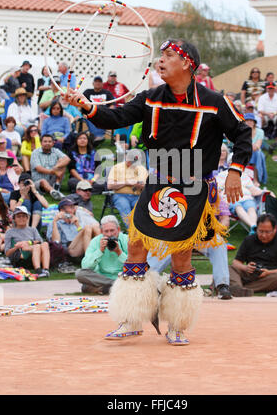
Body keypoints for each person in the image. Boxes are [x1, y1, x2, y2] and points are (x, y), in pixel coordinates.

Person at [65, 37, 252, 345]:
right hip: (158, 182)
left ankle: (177, 324)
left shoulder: (213, 101)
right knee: (136, 247)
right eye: (160, 55)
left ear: (187, 63)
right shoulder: (151, 98)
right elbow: (117, 116)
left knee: (181, 257)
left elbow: (243, 132)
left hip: (192, 188)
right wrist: (86, 105)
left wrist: (235, 171)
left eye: (168, 55)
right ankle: (131, 319)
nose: (160, 60)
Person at [229, 213, 277, 296]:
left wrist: (268, 272)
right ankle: (238, 288)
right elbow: (236, 262)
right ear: (256, 229)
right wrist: (246, 268)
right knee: (228, 268)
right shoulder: (249, 240)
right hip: (250, 274)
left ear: (275, 229)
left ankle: (238, 289)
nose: (263, 235)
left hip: (270, 276)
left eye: (267, 232)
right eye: (260, 231)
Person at [75, 215, 128, 295]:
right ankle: (115, 287)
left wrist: (119, 252)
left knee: (87, 288)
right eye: (106, 231)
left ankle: (107, 289)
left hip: (123, 277)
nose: (110, 234)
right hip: (102, 278)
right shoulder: (96, 241)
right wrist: (100, 251)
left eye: (112, 230)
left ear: (118, 229)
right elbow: (85, 266)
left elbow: (134, 265)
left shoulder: (127, 240)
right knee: (79, 273)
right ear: (101, 231)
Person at [47, 198, 101, 264]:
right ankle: (89, 260)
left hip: (80, 247)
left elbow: (85, 236)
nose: (74, 209)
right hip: (69, 250)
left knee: (94, 228)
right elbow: (56, 242)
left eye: (73, 207)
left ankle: (102, 256)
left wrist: (77, 225)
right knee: (87, 227)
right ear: (62, 210)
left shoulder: (77, 220)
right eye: (71, 207)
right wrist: (55, 222)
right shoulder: (56, 223)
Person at [4, 205, 50, 277]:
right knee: (36, 246)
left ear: (27, 218)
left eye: (23, 216)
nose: (21, 218)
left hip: (33, 251)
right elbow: (7, 253)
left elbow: (40, 241)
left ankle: (46, 270)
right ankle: (38, 271)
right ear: (14, 219)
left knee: (45, 244)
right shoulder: (10, 232)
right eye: (18, 216)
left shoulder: (32, 229)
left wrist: (28, 242)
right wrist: (16, 247)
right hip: (20, 255)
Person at [107, 150, 148, 228]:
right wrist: (126, 182)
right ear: (126, 158)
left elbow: (147, 186)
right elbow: (110, 185)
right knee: (125, 207)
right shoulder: (117, 167)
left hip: (137, 195)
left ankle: (140, 231)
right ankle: (131, 232)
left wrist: (140, 186)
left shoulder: (142, 169)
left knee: (140, 210)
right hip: (120, 196)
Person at [30, 134, 70, 201]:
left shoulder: (55, 150)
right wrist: (53, 171)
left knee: (62, 162)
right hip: (39, 183)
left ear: (53, 143)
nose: (47, 143)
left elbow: (67, 159)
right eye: (45, 141)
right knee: (43, 181)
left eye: (49, 141)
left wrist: (56, 167)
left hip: (52, 179)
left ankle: (56, 187)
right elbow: (38, 168)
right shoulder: (35, 152)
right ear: (41, 143)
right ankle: (54, 192)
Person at [83, 76, 115, 144]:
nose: (97, 83)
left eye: (99, 82)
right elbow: (82, 103)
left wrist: (108, 112)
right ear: (93, 83)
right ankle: (97, 137)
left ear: (102, 84)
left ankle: (97, 137)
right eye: (96, 81)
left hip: (103, 114)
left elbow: (112, 105)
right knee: (91, 116)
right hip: (90, 114)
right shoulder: (87, 92)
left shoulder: (107, 93)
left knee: (100, 116)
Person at [244, 113, 267, 186]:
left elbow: (257, 146)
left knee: (257, 154)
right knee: (253, 154)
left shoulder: (260, 131)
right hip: (244, 151)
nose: (249, 122)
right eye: (247, 120)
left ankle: (256, 179)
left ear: (254, 122)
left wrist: (248, 146)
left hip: (255, 152)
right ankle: (247, 178)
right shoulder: (241, 131)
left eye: (251, 120)